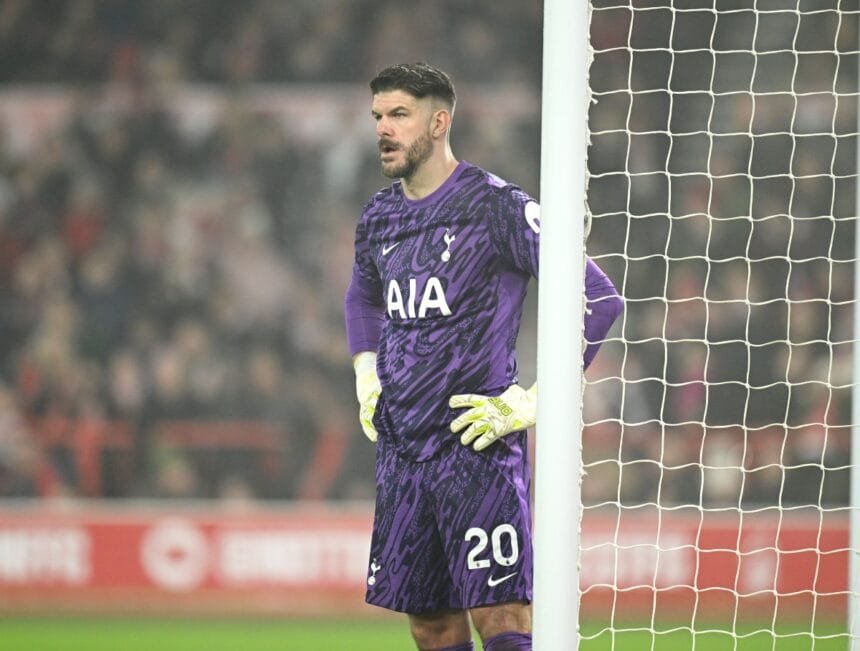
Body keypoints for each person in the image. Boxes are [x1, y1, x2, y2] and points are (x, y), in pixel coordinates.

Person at [343, 62, 623, 651]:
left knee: (503, 616)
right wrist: (365, 371)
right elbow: (362, 296)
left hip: (475, 445)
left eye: (399, 115)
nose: (383, 130)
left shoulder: (495, 206)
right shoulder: (379, 217)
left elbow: (598, 298)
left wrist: (533, 402)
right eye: (377, 117)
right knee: (430, 624)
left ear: (439, 121)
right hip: (402, 454)